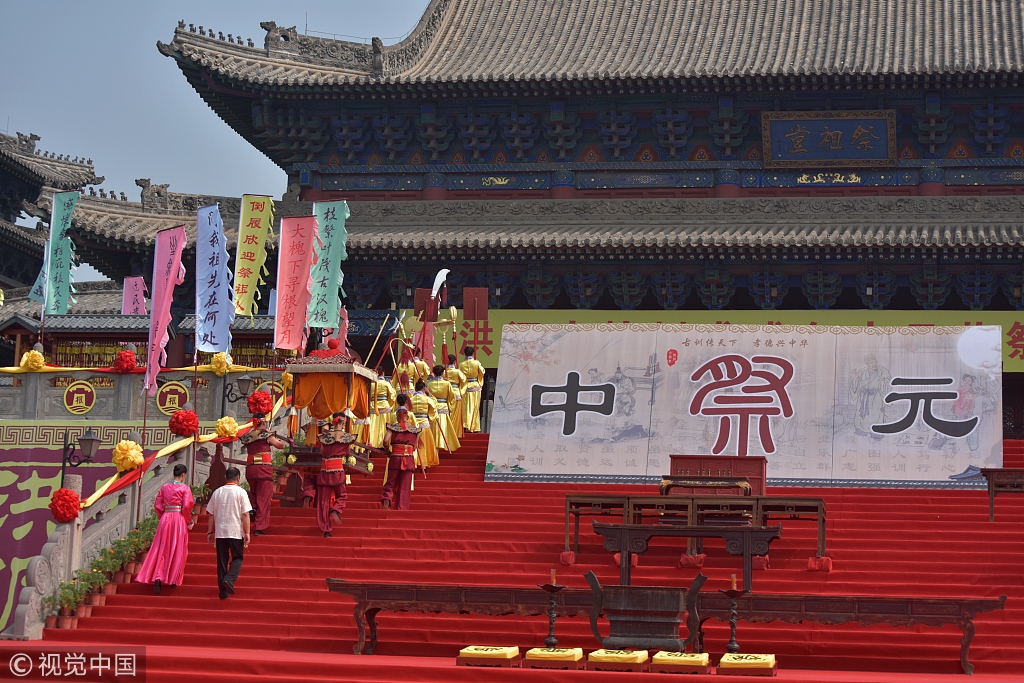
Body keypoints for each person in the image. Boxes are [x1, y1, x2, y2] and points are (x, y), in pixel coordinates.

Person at [135, 464, 194, 594]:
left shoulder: (165, 487)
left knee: (161, 548)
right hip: (178, 519)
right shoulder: (185, 488)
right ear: (183, 474)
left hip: (165, 519)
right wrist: (189, 521)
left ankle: (158, 576)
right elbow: (186, 507)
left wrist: (164, 517)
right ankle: (173, 578)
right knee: (177, 548)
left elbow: (158, 505)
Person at [239, 390, 289, 536]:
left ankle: (253, 515)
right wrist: (272, 434)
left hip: (250, 469)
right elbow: (280, 445)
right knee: (264, 498)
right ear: (263, 422)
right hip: (263, 470)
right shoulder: (266, 435)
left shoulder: (247, 436)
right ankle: (259, 526)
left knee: (254, 495)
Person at [206, 466, 251, 599]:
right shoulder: (241, 492)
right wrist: (247, 532)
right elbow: (245, 514)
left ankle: (223, 592)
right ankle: (229, 580)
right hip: (235, 530)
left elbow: (211, 515)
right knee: (237, 558)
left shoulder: (217, 492)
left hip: (220, 531)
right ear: (238, 478)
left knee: (222, 561)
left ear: (226, 478)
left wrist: (210, 532)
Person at [317, 413, 355, 537]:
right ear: (343, 423)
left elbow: (322, 451)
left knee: (323, 501)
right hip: (337, 470)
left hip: (324, 471)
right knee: (342, 495)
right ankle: (336, 509)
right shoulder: (347, 437)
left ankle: (326, 530)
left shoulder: (324, 437)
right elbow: (347, 452)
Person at [381, 393, 423, 510]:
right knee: (405, 486)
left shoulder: (393, 427)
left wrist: (387, 450)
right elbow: (415, 447)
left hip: (395, 457)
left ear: (398, 416)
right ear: (407, 417)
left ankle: (387, 501)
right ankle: (401, 509)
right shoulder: (416, 430)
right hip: (408, 458)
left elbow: (385, 441)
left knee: (390, 483)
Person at [427, 364, 461, 453]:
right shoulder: (447, 383)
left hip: (433, 407)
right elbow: (452, 396)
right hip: (443, 406)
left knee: (434, 428)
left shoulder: (429, 384)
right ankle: (438, 446)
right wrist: (450, 405)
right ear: (442, 373)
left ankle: (435, 447)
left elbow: (427, 396)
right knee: (442, 427)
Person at [410, 379, 440, 471]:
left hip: (413, 424)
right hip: (424, 423)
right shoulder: (427, 399)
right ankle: (424, 465)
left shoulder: (410, 399)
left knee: (413, 444)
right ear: (424, 388)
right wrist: (429, 393)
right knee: (425, 445)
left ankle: (413, 462)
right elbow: (435, 405)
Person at [460, 346, 486, 433]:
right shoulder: (476, 363)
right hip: (475, 386)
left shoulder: (461, 364)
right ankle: (472, 426)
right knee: (474, 407)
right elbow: (482, 372)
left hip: (466, 386)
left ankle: (467, 424)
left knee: (466, 407)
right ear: (473, 353)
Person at [368, 373, 397, 448]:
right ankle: (385, 444)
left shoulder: (371, 384)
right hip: (384, 406)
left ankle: (371, 443)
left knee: (372, 426)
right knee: (384, 426)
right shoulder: (386, 384)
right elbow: (392, 396)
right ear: (383, 373)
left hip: (373, 406)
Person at [444, 354, 467, 438]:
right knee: (455, 414)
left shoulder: (444, 372)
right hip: (456, 392)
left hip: (446, 393)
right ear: (454, 362)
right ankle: (454, 432)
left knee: (448, 413)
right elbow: (464, 382)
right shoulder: (457, 372)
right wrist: (461, 392)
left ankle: (447, 431)